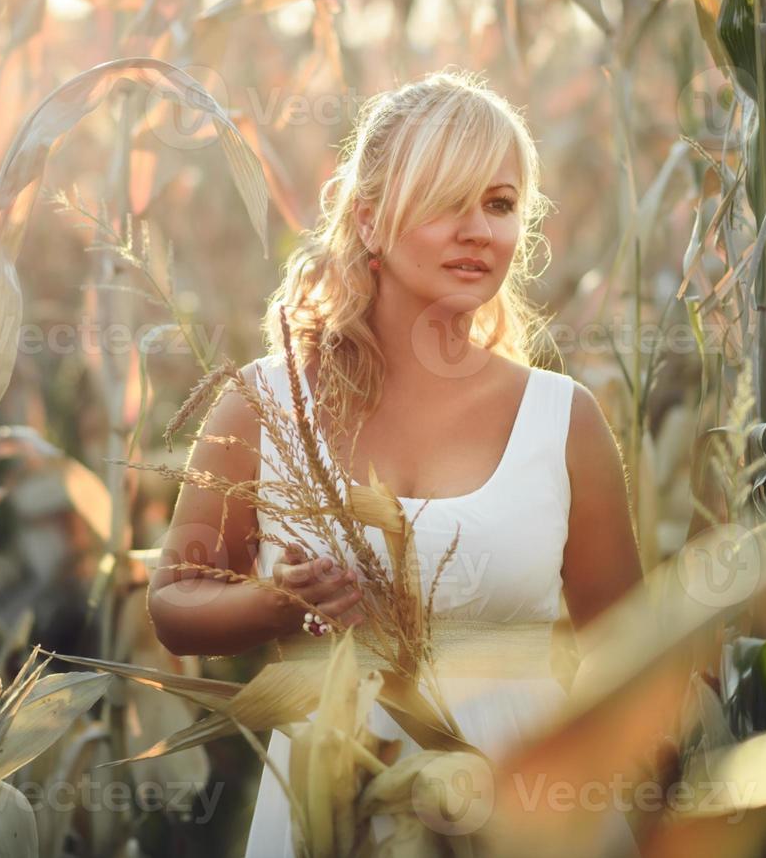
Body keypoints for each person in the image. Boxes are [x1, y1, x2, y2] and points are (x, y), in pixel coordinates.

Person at [147, 69, 644, 856]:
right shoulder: (263, 403)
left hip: (524, 812)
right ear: (370, 221)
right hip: (327, 805)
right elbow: (173, 599)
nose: (479, 230)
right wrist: (277, 605)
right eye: (448, 201)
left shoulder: (563, 419)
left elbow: (629, 652)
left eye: (500, 204)